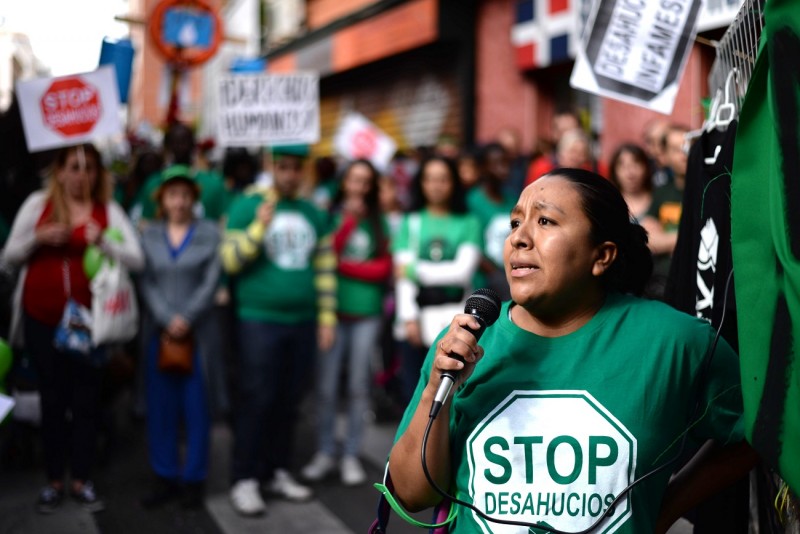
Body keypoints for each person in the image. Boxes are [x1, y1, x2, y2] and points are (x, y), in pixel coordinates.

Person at [388, 168, 756, 533]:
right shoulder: (466, 342)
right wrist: (438, 387)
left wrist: (668, 507)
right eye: (515, 223)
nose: (519, 238)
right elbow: (411, 493)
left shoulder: (676, 341)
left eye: (545, 220)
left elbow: (755, 433)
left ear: (602, 256)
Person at [2, 143, 144, 514]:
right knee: (52, 400)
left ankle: (81, 478)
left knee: (85, 401)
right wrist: (38, 238)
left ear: (98, 174)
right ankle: (53, 480)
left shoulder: (108, 211)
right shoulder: (37, 206)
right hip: (42, 319)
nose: (81, 176)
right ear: (59, 171)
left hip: (89, 325)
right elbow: (8, 257)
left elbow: (138, 259)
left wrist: (105, 243)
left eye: (89, 169)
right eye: (74, 168)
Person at [221, 144, 336, 516]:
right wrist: (258, 227)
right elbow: (229, 261)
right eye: (282, 167)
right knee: (257, 398)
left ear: (302, 171)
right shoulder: (245, 206)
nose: (289, 174)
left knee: (289, 401)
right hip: (258, 318)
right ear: (272, 167)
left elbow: (325, 267)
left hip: (302, 321)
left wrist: (327, 318)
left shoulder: (313, 213)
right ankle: (245, 478)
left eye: (295, 168)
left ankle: (277, 471)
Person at [136, 164, 223, 509]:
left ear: (193, 199)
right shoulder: (149, 235)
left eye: (185, 194)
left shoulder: (210, 234)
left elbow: (211, 279)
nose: (179, 201)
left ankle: (194, 480)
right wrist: (165, 317)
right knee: (161, 408)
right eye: (173, 194)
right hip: (159, 335)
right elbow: (146, 280)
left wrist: (185, 317)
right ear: (163, 199)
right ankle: (165, 476)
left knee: (197, 408)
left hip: (199, 336)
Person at [302, 159, 392, 486]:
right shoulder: (328, 216)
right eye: (354, 180)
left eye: (366, 182)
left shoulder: (379, 222)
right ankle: (326, 451)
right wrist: (348, 224)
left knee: (358, 387)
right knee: (326, 387)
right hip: (332, 313)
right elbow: (325, 256)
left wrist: (345, 266)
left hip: (366, 314)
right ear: (344, 182)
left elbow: (383, 270)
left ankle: (351, 453)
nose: (360, 187)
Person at [392, 156, 481, 405]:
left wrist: (414, 269)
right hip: (417, 317)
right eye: (429, 179)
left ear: (453, 183)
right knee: (415, 395)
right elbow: (402, 279)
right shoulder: (411, 221)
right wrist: (407, 317)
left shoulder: (468, 221)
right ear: (420, 183)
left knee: (452, 395)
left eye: (443, 179)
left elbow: (462, 271)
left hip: (455, 316)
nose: (436, 185)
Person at [640, 124, 689, 299]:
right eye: (676, 149)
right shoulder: (661, 192)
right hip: (661, 285)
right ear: (664, 156)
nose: (684, 154)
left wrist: (666, 240)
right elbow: (648, 239)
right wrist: (685, 239)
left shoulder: (708, 190)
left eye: (688, 146)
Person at [467, 142, 515, 300]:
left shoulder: (513, 200)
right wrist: (496, 275)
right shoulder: (472, 201)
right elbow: (472, 245)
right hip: (485, 283)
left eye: (505, 163)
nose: (503, 169)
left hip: (511, 275)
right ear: (483, 168)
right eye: (495, 164)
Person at [608, 143, 654, 222]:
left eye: (636, 165)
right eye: (623, 166)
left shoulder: (659, 199)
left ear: (646, 168)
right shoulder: (609, 204)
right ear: (614, 172)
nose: (630, 174)